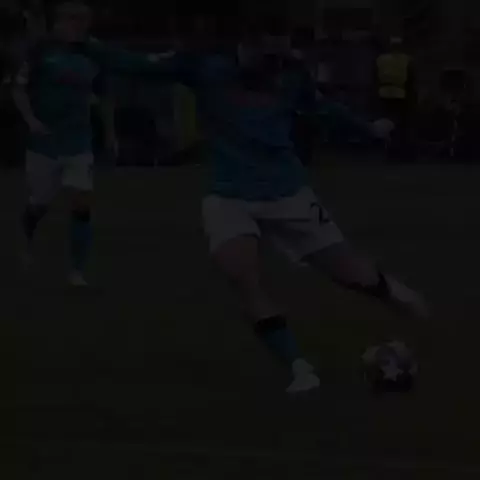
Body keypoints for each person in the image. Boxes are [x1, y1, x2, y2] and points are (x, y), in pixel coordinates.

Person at [147, 23, 429, 394]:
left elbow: (322, 109)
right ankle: (299, 368)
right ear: (247, 44)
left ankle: (392, 292)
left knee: (350, 273)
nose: (274, 61)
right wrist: (87, 45)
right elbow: (137, 66)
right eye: (269, 53)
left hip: (289, 194)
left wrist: (369, 129)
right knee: (242, 276)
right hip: (229, 197)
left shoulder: (291, 75)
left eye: (280, 53)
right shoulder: (208, 69)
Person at [13, 0, 164, 286]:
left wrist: (110, 134)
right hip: (44, 143)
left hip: (79, 140)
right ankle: (27, 239)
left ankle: (77, 271)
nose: (78, 27)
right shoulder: (40, 49)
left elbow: (105, 97)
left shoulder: (92, 53)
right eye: (72, 20)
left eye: (83, 22)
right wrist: (31, 120)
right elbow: (18, 89)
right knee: (39, 203)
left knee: (81, 201)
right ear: (59, 22)